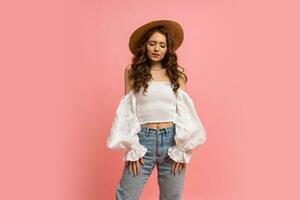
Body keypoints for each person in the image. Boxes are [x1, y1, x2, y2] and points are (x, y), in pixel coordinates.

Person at [106, 19, 207, 200]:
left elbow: (184, 113)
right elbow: (127, 111)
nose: (156, 49)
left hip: (171, 142)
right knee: (125, 196)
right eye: (152, 43)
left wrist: (181, 149)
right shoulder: (132, 71)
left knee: (172, 197)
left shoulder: (178, 73)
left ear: (168, 49)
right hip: (143, 140)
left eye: (162, 45)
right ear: (145, 45)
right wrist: (133, 147)